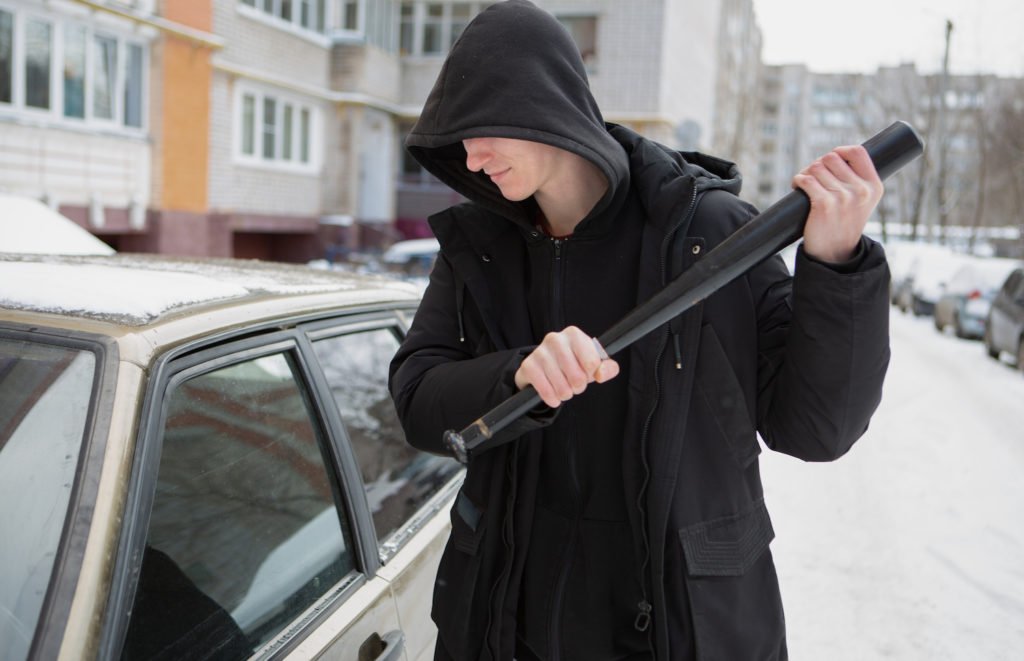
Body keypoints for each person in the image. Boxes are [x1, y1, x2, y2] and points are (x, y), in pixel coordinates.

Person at [388, 2, 890, 659]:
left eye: (483, 131)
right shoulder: (480, 248)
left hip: (682, 623)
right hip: (505, 623)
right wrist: (517, 374)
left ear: (544, 104)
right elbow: (418, 403)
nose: (473, 160)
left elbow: (817, 427)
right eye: (459, 141)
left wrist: (834, 265)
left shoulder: (708, 236)